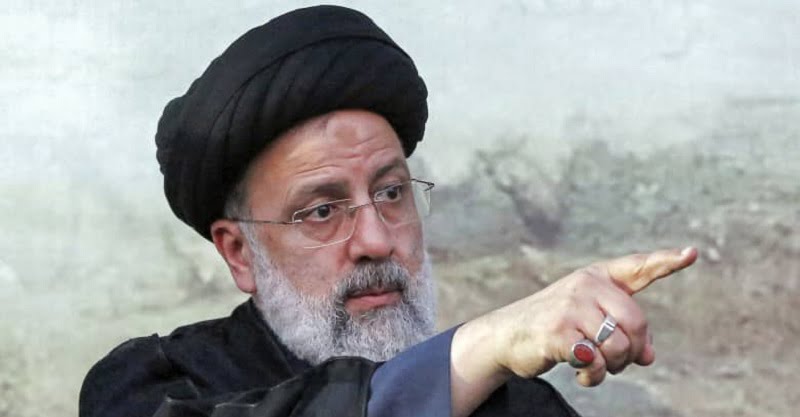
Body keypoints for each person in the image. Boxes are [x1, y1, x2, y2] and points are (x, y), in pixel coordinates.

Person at [79, 5, 697, 417]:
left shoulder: (514, 405)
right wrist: (473, 349)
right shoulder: (158, 387)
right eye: (322, 210)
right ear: (240, 252)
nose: (376, 240)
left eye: (392, 193)